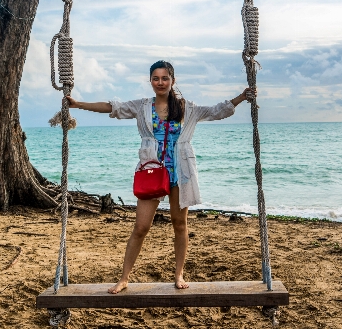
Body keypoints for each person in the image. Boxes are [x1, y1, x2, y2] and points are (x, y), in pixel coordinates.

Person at [65, 60, 256, 294]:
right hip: (152, 170)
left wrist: (241, 97)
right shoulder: (142, 106)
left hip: (180, 171)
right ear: (150, 82)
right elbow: (112, 107)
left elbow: (217, 111)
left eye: (165, 78)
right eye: (156, 78)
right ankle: (124, 278)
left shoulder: (187, 107)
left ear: (172, 81)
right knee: (141, 227)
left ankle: (178, 275)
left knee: (180, 224)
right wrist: (77, 104)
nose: (160, 82)